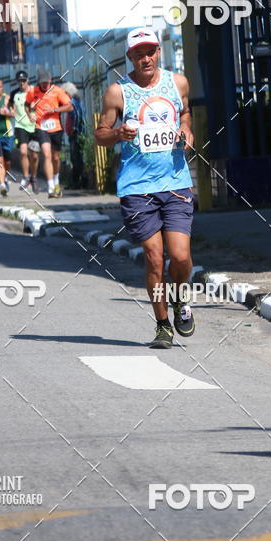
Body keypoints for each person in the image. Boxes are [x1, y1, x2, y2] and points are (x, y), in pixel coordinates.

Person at [95, 28, 195, 349]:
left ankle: (180, 299)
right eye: (139, 53)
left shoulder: (177, 82)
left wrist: (185, 130)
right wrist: (117, 134)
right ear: (130, 58)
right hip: (137, 187)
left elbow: (186, 113)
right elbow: (100, 133)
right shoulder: (117, 92)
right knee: (154, 258)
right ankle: (163, 325)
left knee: (180, 256)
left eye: (150, 51)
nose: (146, 58)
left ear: (158, 53)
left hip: (176, 182)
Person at [25, 70, 72, 198]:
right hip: (41, 127)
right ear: (39, 82)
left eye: (47, 83)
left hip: (56, 128)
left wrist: (55, 109)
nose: (45, 85)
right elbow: (26, 105)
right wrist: (30, 116)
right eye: (43, 83)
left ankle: (56, 180)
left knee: (56, 158)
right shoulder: (33, 91)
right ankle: (51, 186)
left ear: (50, 81)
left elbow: (70, 107)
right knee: (46, 155)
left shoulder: (57, 91)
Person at [9, 70, 39, 192]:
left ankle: (34, 178)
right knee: (23, 152)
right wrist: (11, 111)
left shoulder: (34, 92)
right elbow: (10, 105)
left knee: (34, 155)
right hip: (21, 126)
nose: (22, 83)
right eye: (19, 81)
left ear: (28, 80)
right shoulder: (14, 94)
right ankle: (26, 177)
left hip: (34, 126)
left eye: (23, 80)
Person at [63, 82, 85, 190]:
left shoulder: (73, 102)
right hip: (74, 134)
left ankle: (77, 182)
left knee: (76, 158)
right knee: (75, 158)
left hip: (76, 134)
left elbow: (77, 115)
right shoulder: (75, 101)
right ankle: (75, 182)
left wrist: (74, 129)